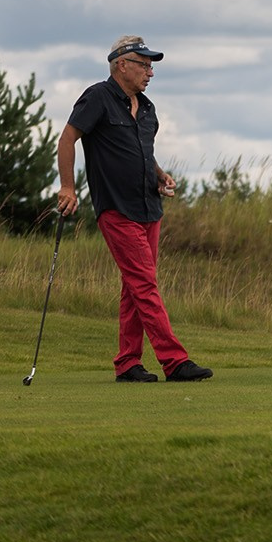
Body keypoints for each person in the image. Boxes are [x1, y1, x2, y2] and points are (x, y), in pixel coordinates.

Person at [56, 35, 212, 384]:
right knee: (144, 284)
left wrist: (159, 175)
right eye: (144, 65)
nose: (150, 72)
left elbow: (142, 153)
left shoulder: (148, 108)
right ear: (122, 65)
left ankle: (127, 363)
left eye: (151, 66)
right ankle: (174, 361)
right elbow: (67, 139)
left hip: (149, 207)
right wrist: (67, 187)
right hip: (116, 208)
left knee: (134, 287)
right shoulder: (97, 97)